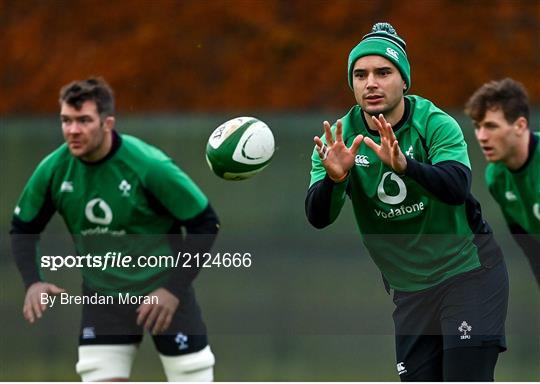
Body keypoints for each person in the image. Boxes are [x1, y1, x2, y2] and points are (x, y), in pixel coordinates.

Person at [305, 22, 508, 381]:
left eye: (383, 72)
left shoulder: (434, 123)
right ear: (351, 84)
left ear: (404, 81)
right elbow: (318, 216)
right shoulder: (337, 139)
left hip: (468, 272)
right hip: (410, 290)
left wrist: (406, 166)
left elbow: (457, 186)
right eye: (360, 74)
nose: (371, 83)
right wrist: (335, 179)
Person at [10, 77, 219, 381]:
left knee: (192, 375)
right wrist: (32, 282)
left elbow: (206, 223)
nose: (73, 131)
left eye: (84, 121)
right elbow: (22, 227)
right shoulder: (54, 169)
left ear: (108, 123)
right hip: (104, 297)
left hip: (165, 293)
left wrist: (172, 290)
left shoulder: (148, 165)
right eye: (66, 121)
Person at [465, 78, 539, 287]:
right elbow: (529, 244)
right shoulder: (496, 176)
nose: (481, 136)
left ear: (520, 125)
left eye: (490, 126)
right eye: (477, 127)